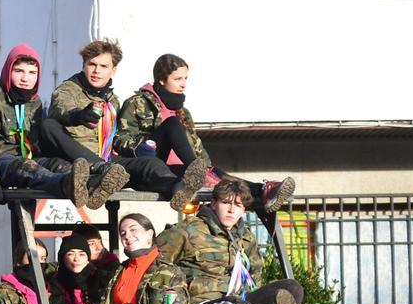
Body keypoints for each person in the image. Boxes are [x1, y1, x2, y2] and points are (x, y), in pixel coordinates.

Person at [115, 53, 296, 213]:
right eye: (178, 79)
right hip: (152, 162)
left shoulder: (182, 111)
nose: (183, 84)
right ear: (161, 79)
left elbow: (195, 144)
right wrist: (144, 146)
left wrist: (209, 169)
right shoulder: (137, 102)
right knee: (171, 124)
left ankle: (262, 190)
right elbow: (121, 140)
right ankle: (201, 172)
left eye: (186, 78)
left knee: (218, 174)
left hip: (181, 169)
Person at [44, 39, 208, 211]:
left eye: (103, 66)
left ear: (113, 70)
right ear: (84, 65)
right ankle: (99, 175)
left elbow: (118, 140)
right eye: (92, 64)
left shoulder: (112, 100)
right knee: (48, 125)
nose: (96, 71)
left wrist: (140, 149)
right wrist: (79, 115)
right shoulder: (68, 89)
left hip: (109, 161)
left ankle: (178, 188)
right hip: (80, 162)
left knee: (150, 165)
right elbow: (60, 107)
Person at [0, 44, 128, 209]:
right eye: (19, 71)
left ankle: (93, 184)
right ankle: (66, 184)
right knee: (27, 167)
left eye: (32, 73)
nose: (25, 79)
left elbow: (37, 144)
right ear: (8, 71)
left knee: (60, 165)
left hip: (30, 160)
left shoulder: (34, 101)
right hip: (0, 163)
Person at [155, 177, 303, 304]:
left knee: (292, 287)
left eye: (238, 205)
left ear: (244, 210)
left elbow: (256, 271)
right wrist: (174, 294)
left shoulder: (246, 237)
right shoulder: (188, 231)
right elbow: (154, 262)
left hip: (241, 300)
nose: (231, 210)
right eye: (226, 203)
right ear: (213, 204)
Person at [45, 233, 109, 304]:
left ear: (87, 259)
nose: (76, 259)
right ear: (62, 258)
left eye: (82, 254)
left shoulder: (102, 280)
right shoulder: (52, 285)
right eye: (70, 254)